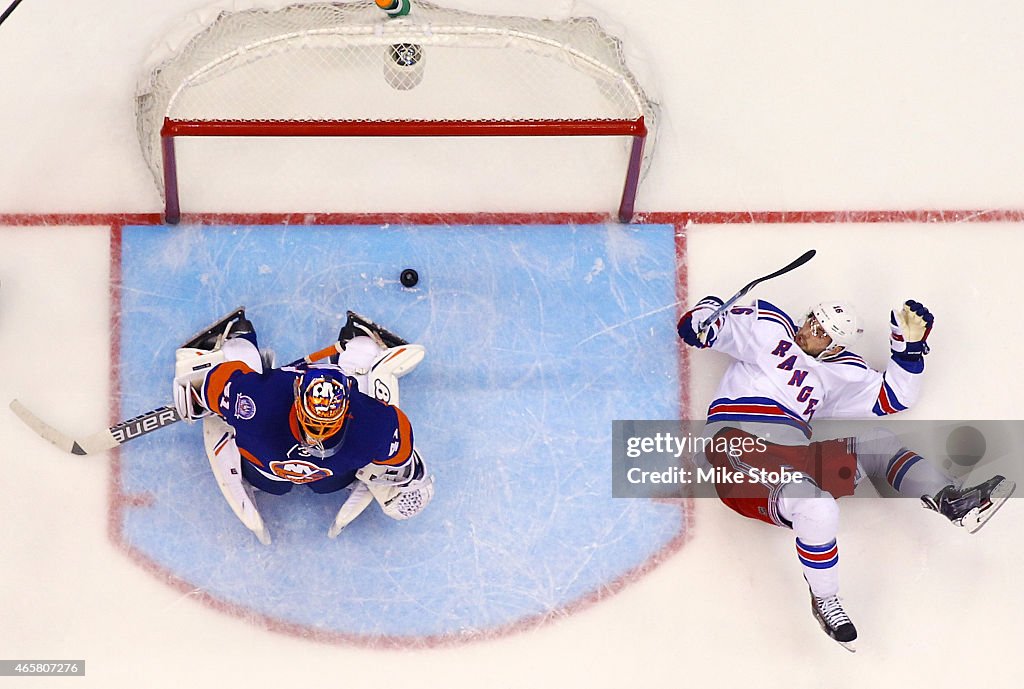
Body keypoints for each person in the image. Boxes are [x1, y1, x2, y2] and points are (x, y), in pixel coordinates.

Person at [677, 296, 1014, 651]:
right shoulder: (770, 328)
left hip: (793, 457)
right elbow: (711, 322)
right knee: (818, 507)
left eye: (823, 333)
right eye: (812, 321)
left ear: (836, 346)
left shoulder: (842, 371)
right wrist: (703, 322)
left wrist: (909, 349)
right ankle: (826, 599)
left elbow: (894, 397)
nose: (810, 331)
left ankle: (952, 501)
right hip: (739, 446)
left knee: (878, 444)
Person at [171, 309, 433, 544]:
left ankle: (238, 337)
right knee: (363, 348)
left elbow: (214, 382)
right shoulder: (374, 425)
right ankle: (359, 345)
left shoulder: (258, 401)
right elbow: (403, 456)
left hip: (266, 478)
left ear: (297, 394)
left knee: (238, 351)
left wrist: (199, 398)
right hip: (331, 482)